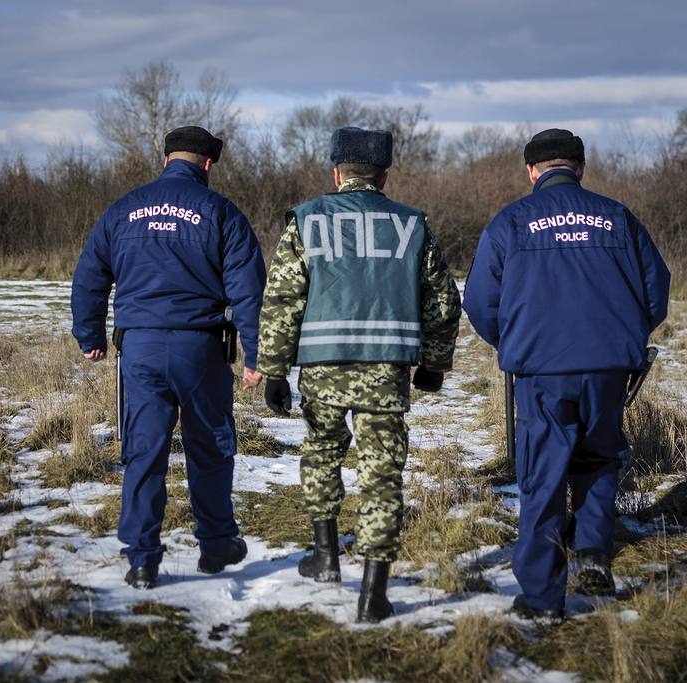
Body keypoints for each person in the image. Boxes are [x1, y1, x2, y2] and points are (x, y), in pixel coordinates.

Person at [463, 129, 670, 625]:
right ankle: (595, 556)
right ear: (580, 167)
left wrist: (513, 344)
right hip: (608, 367)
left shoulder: (511, 221)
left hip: (541, 370)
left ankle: (541, 598)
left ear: (532, 171)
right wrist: (622, 338)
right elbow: (655, 292)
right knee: (600, 456)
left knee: (543, 473)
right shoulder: (618, 216)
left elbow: (478, 301)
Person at [257, 127, 461, 623]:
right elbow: (442, 301)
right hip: (385, 369)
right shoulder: (412, 224)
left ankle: (325, 557)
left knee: (322, 453)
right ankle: (374, 593)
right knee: (382, 474)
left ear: (336, 172)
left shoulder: (305, 220)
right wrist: (433, 364)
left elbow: (282, 298)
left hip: (322, 368)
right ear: (385, 175)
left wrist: (275, 370)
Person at [71, 126, 266, 589]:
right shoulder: (220, 211)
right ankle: (216, 544)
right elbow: (248, 291)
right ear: (208, 163)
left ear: (166, 159)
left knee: (144, 451)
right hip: (199, 348)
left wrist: (89, 335)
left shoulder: (123, 209)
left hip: (137, 348)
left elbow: (89, 276)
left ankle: (142, 558)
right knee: (211, 447)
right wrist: (257, 355)